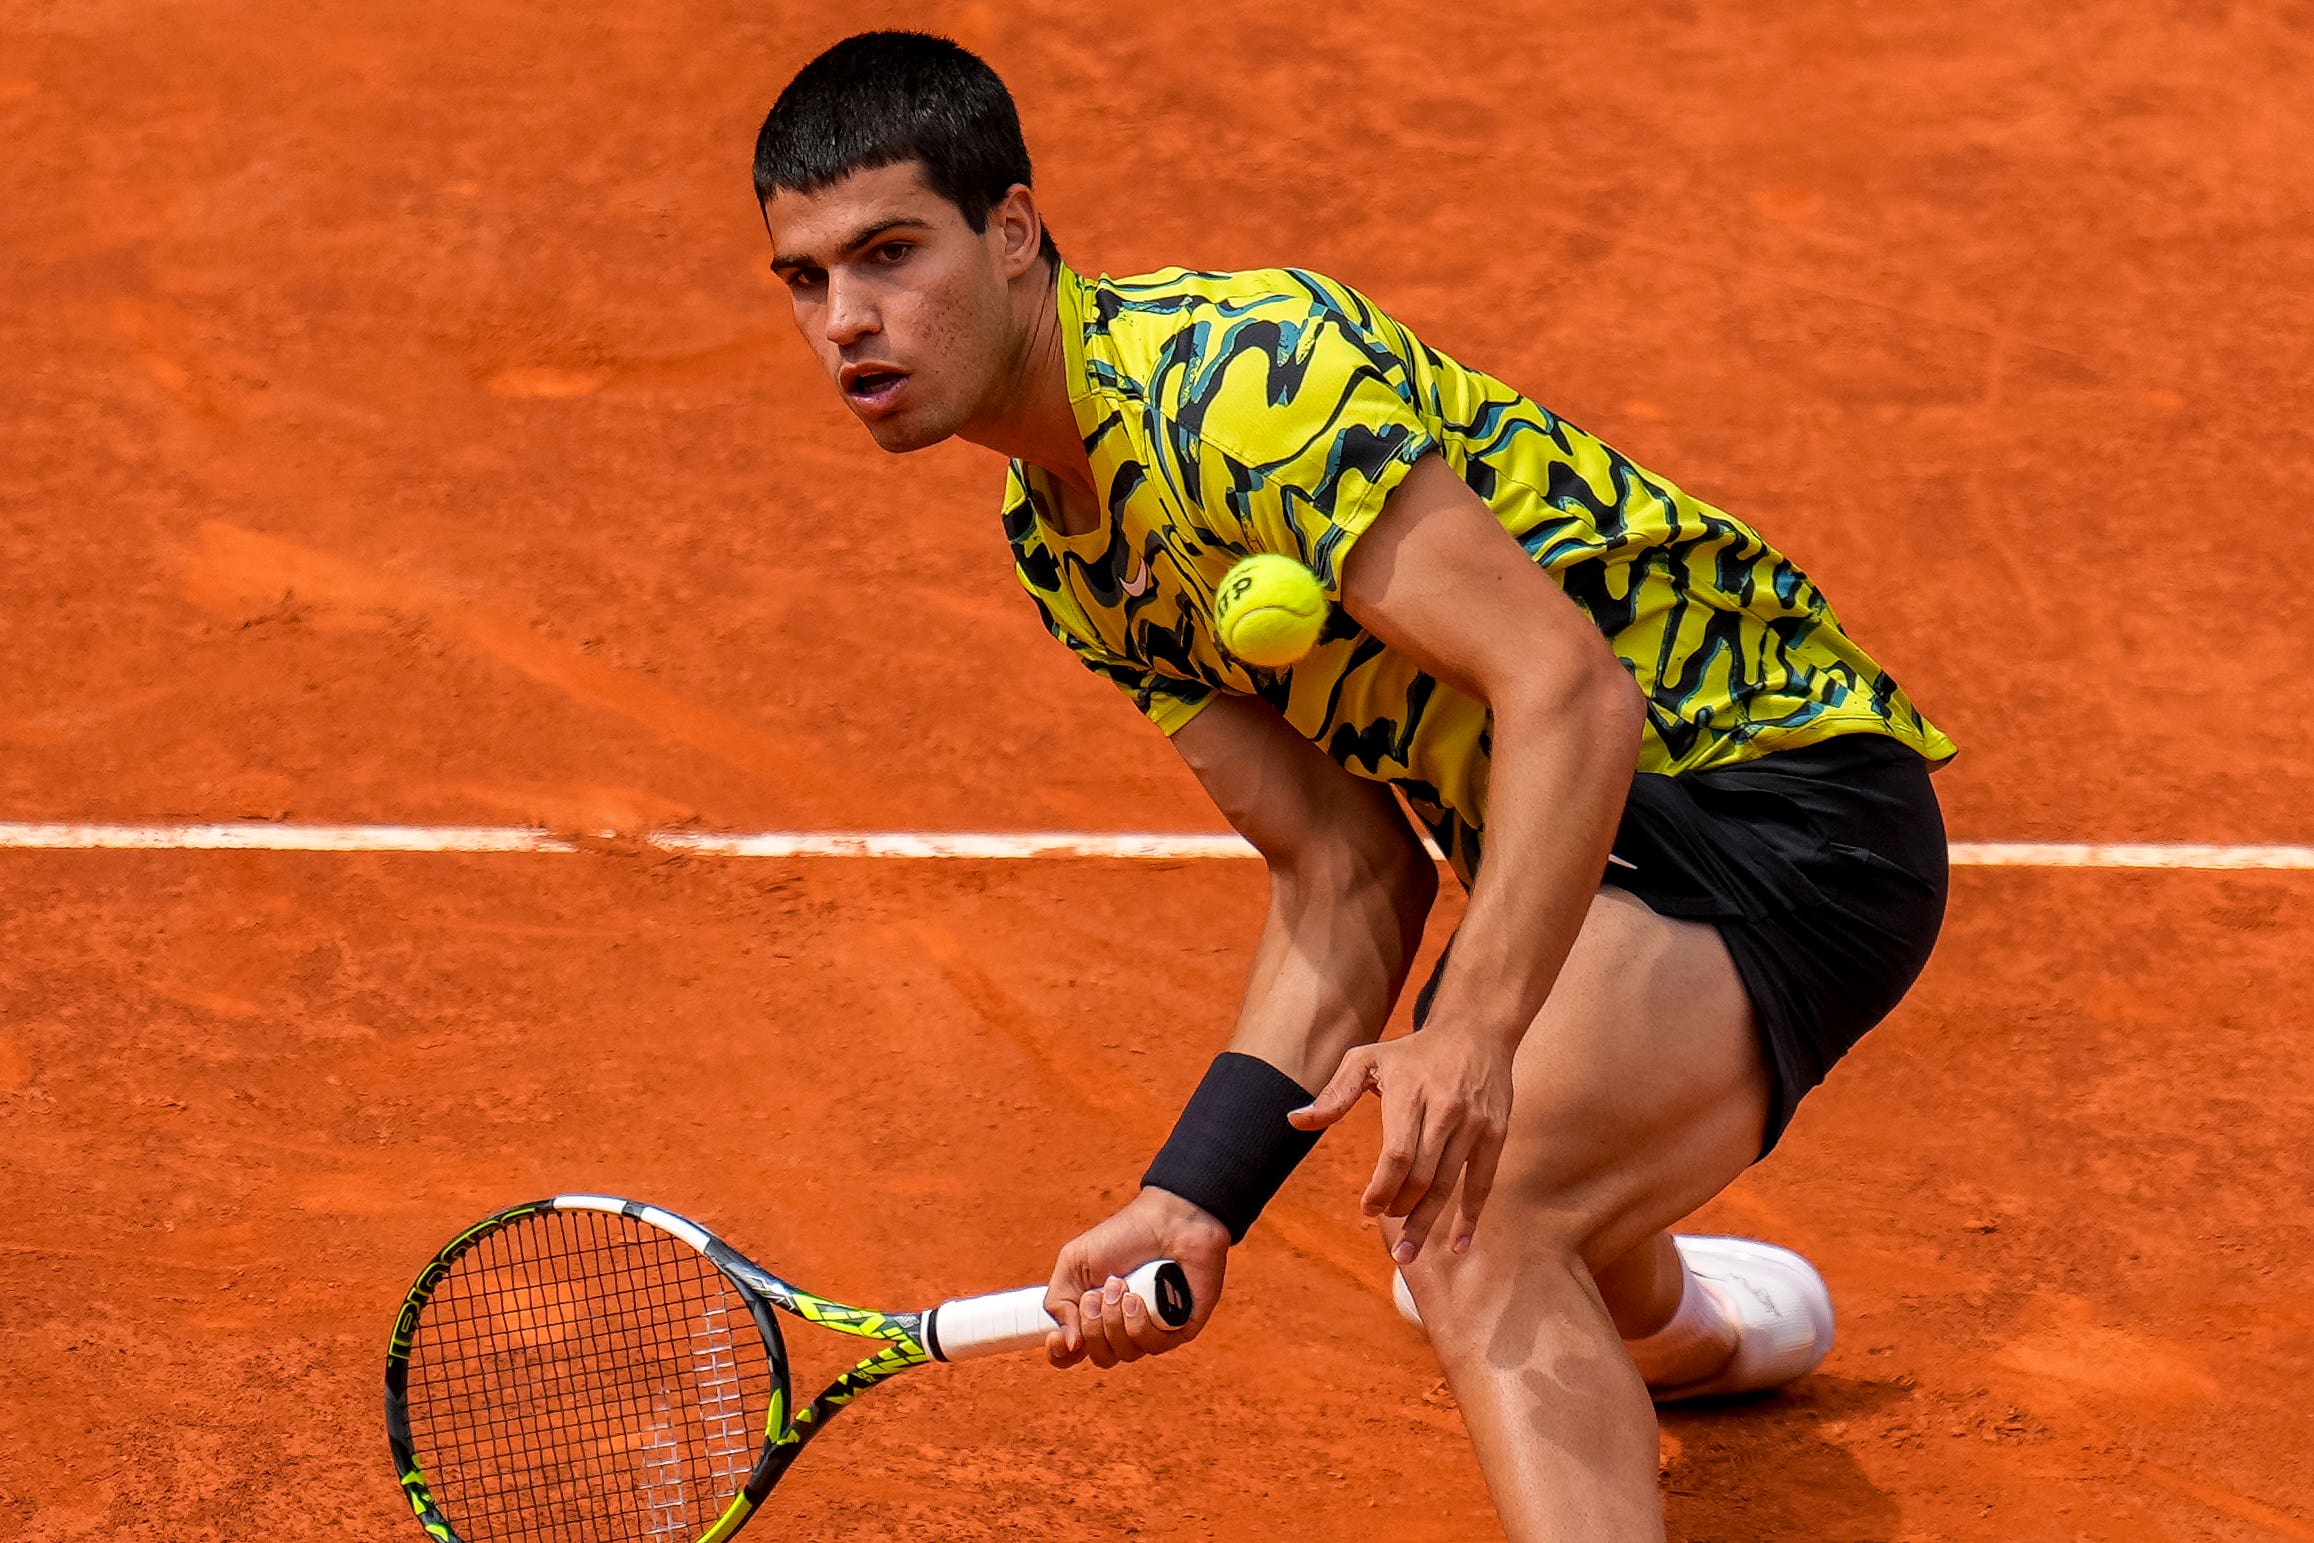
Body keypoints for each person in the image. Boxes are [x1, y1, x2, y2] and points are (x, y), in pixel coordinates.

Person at [752, 30, 1954, 1541]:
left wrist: (1475, 1031)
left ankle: (1614, 1257)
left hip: (1775, 800)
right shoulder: (1062, 544)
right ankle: (1697, 1330)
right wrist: (1197, 1194)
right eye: (804, 278)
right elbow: (1344, 869)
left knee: (1473, 1214)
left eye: (889, 252)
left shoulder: (1235, 383)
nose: (849, 319)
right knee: (1480, 1180)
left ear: (1011, 232)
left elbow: (1570, 688)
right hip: (1595, 848)